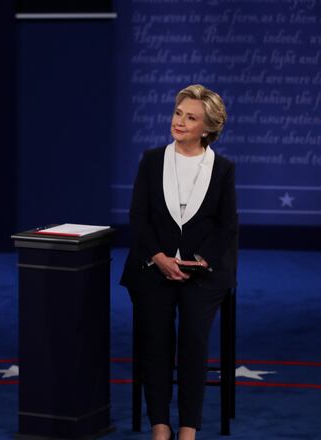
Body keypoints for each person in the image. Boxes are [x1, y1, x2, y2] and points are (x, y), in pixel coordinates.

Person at [120, 84, 237, 440]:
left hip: (202, 274)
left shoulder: (222, 168)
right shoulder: (152, 160)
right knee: (155, 341)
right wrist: (158, 257)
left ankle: (188, 427)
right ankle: (160, 423)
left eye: (191, 118)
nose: (180, 122)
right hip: (153, 267)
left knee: (193, 341)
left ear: (208, 128)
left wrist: (202, 261)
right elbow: (138, 218)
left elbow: (226, 226)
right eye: (178, 113)